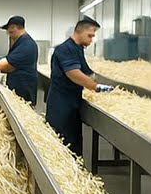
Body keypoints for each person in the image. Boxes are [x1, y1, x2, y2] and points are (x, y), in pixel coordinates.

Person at [45, 15, 114, 154]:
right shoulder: (65, 49)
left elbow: (87, 72)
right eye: (90, 35)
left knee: (74, 144)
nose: (91, 39)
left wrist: (107, 82)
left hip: (72, 103)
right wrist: (96, 87)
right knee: (63, 145)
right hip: (61, 105)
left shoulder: (77, 49)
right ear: (79, 31)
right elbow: (74, 73)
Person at [0, 15, 39, 105]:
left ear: (14, 27)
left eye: (9, 30)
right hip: (19, 84)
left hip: (23, 88)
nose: (8, 33)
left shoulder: (26, 44)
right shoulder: (21, 42)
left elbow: (7, 65)